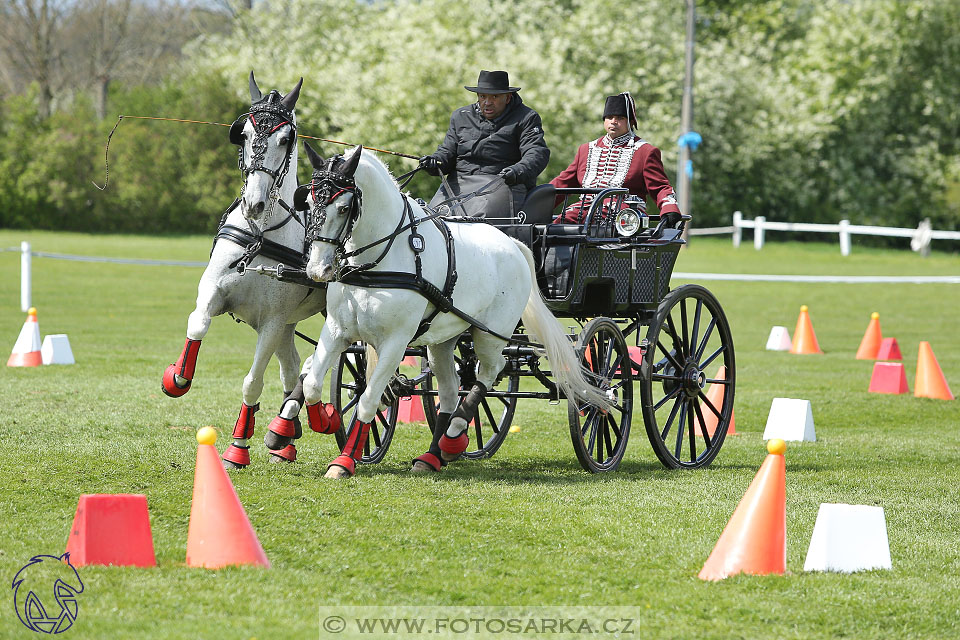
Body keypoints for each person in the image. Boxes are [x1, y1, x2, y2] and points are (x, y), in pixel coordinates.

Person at [419, 70, 550, 215]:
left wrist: (517, 170)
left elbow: (536, 153)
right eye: (483, 96)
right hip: (458, 183)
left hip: (501, 182)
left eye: (494, 97)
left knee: (480, 222)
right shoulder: (460, 116)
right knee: (431, 218)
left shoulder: (526, 117)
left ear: (507, 98)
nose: (487, 103)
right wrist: (434, 162)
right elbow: (447, 153)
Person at [549, 92, 682, 227]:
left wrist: (669, 208)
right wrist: (535, 199)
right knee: (558, 226)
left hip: (626, 214)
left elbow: (660, 187)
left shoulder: (645, 151)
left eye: (620, 118)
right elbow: (563, 182)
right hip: (585, 209)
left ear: (630, 122)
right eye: (609, 117)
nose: (613, 121)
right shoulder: (586, 149)